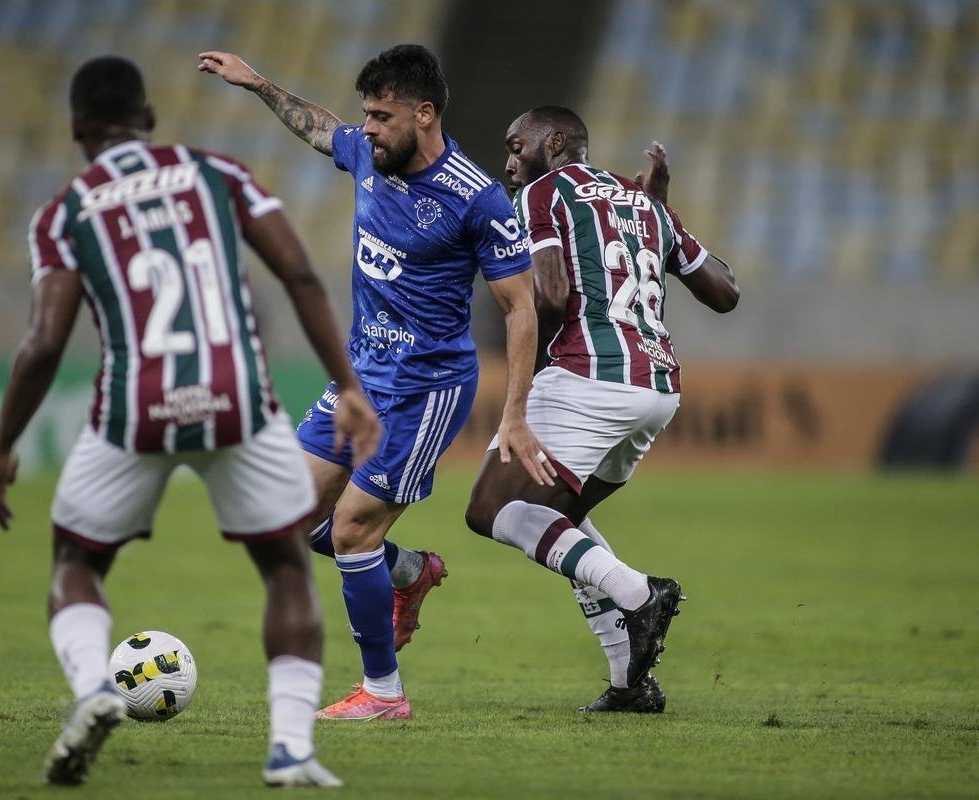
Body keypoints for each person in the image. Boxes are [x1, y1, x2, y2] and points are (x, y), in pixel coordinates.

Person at [0, 55, 381, 788]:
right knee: (285, 567)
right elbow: (298, 275)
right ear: (150, 119)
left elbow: (42, 343)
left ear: (76, 128)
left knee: (76, 564)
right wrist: (348, 385)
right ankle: (292, 749)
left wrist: (5, 442)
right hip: (236, 397)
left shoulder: (63, 213)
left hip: (134, 405)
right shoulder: (217, 175)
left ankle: (93, 691)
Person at [199, 45, 553, 720]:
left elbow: (520, 308)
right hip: (361, 377)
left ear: (423, 115)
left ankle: (383, 695)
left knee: (352, 532)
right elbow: (318, 127)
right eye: (365, 113)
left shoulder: (476, 199)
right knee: (292, 521)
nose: (366, 128)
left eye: (380, 115)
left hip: (425, 389)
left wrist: (514, 414)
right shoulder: (368, 154)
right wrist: (256, 83)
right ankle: (411, 573)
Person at [465, 106, 740, 711]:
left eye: (518, 146)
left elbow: (555, 294)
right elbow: (725, 293)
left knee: (493, 510)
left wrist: (502, 293)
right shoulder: (643, 199)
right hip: (658, 389)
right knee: (559, 520)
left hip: (587, 375)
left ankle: (640, 592)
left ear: (556, 143)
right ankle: (629, 682)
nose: (510, 162)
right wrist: (664, 212)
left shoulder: (542, 192)